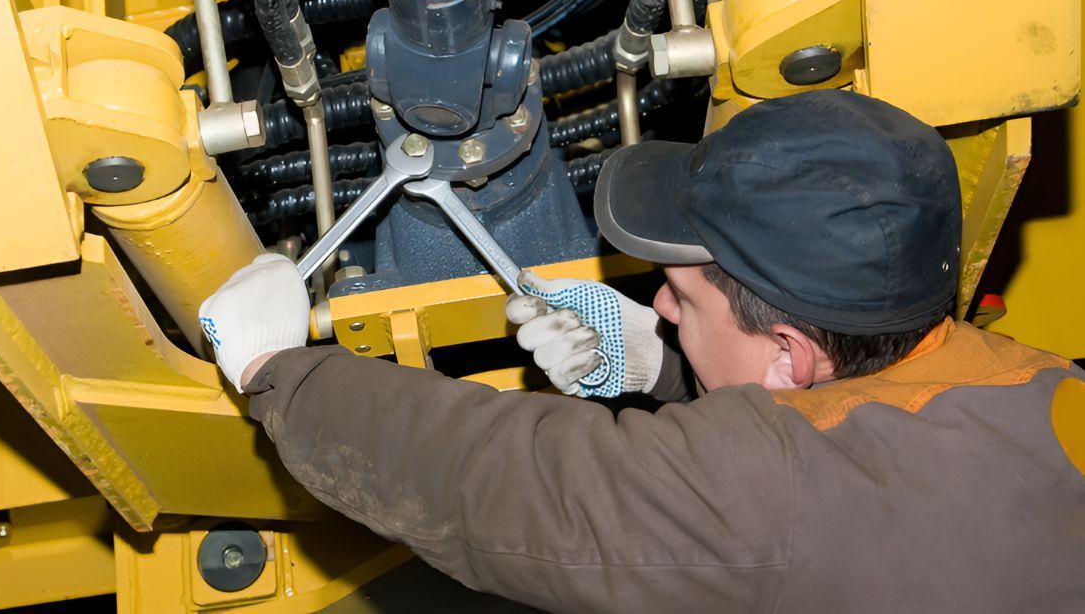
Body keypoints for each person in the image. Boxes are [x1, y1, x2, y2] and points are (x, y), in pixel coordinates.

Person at [198, 90, 1085, 612]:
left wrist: (276, 372)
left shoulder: (783, 501)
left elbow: (510, 486)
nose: (655, 300)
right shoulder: (1038, 380)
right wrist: (663, 370)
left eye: (682, 296)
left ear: (787, 353)